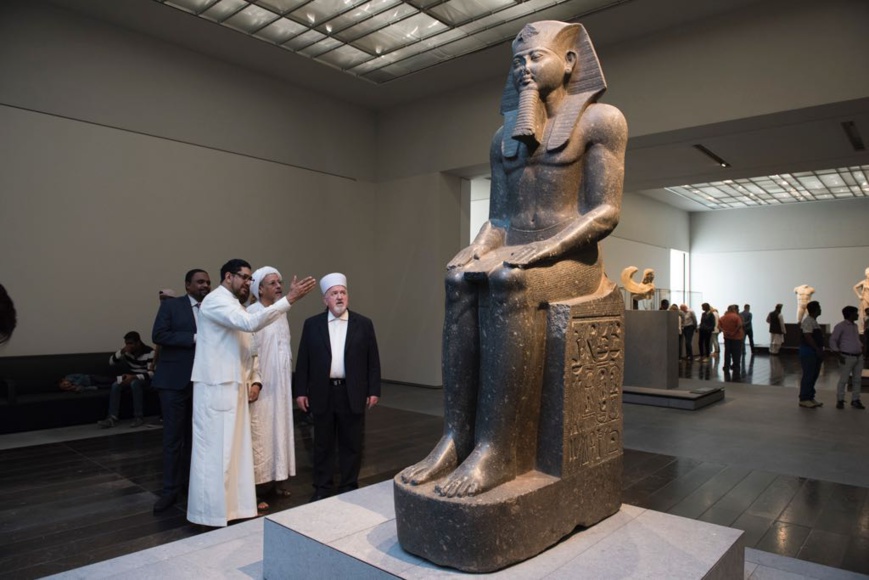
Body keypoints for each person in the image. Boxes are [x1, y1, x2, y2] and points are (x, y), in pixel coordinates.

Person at [398, 21, 627, 499]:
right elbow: (500, 217)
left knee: (509, 281)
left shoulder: (601, 121)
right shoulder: (503, 135)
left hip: (576, 259)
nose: (525, 68)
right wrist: (479, 245)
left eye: (536, 57)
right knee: (458, 279)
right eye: (518, 61)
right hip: (517, 248)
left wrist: (549, 247)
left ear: (569, 62)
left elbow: (605, 211)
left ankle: (500, 449)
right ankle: (456, 437)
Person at [186, 259, 309, 527]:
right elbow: (250, 323)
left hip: (235, 386)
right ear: (228, 277)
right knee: (216, 454)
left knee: (236, 453)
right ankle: (210, 514)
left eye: (250, 278)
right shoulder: (216, 301)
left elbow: (249, 349)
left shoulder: (234, 304)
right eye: (244, 277)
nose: (247, 283)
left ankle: (236, 509)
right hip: (217, 387)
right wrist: (289, 299)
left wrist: (255, 379)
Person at [295, 273, 381, 502]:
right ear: (325, 299)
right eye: (334, 293)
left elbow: (373, 360)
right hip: (322, 391)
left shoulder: (363, 324)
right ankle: (322, 486)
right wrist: (300, 391)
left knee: (351, 442)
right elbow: (303, 360)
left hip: (351, 391)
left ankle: (349, 485)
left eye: (343, 292)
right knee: (322, 442)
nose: (339, 297)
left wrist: (374, 390)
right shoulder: (312, 324)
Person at [247, 266, 315, 509]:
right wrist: (254, 382)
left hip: (281, 387)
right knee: (260, 435)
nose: (278, 286)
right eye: (272, 283)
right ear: (259, 289)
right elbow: (250, 354)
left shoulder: (281, 313)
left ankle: (276, 479)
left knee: (280, 431)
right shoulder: (252, 313)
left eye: (280, 282)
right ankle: (255, 489)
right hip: (262, 388)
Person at [151, 269, 211, 514]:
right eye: (200, 282)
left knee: (195, 438)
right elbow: (159, 334)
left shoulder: (212, 308)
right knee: (173, 439)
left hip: (201, 383)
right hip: (173, 382)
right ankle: (169, 490)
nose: (205, 285)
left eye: (208, 282)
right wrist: (194, 338)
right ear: (187, 285)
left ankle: (190, 485)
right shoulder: (171, 306)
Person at [97, 331, 155, 428]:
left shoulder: (150, 352)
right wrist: (122, 351)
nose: (129, 346)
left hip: (146, 379)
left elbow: (152, 374)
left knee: (135, 384)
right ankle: (112, 418)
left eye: (131, 343)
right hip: (132, 377)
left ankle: (138, 417)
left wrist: (133, 377)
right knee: (116, 384)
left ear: (138, 343)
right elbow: (111, 362)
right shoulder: (127, 352)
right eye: (126, 344)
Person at [828, 306, 865, 410]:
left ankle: (855, 399)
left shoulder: (855, 326)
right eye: (856, 313)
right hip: (846, 356)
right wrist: (837, 353)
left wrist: (861, 347)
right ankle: (840, 400)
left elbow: (855, 339)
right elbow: (833, 340)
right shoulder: (841, 326)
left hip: (858, 356)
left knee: (857, 379)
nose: (857, 315)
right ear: (850, 314)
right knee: (844, 379)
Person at [798, 300, 824, 408]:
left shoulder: (813, 321)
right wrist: (816, 349)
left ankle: (810, 397)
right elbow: (808, 336)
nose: (821, 310)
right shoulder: (808, 321)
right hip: (808, 352)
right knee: (808, 375)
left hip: (814, 352)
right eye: (819, 308)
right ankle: (804, 398)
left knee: (813, 375)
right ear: (815, 310)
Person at [718, 305, 744, 376]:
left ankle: (726, 366)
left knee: (727, 352)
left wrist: (724, 331)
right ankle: (736, 366)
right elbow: (740, 325)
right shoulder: (736, 317)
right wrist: (734, 332)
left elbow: (719, 326)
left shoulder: (723, 317)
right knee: (736, 353)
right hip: (737, 337)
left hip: (727, 337)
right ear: (734, 309)